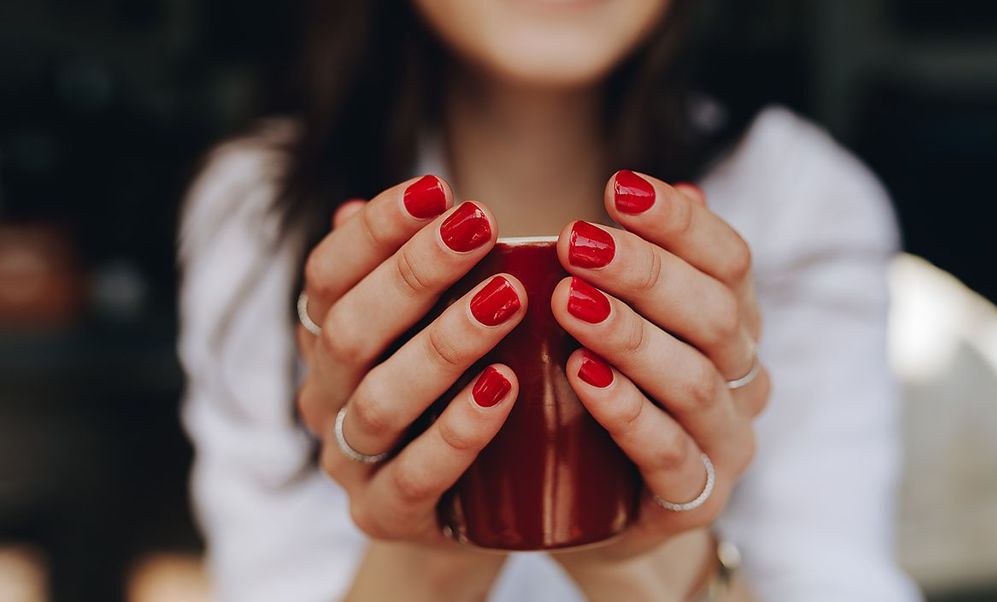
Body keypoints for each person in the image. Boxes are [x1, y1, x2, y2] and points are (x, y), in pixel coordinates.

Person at [178, 1, 921, 600]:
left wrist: (652, 568)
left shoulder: (798, 203)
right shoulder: (261, 210)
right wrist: (424, 562)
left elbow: (835, 574)